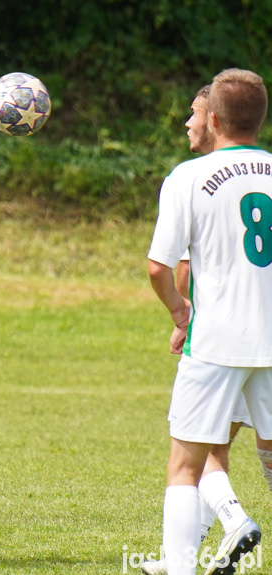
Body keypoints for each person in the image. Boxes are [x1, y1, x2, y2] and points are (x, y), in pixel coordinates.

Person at [147, 68, 272, 575]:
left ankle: (179, 569)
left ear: (214, 119)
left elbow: (159, 267)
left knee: (186, 464)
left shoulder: (188, 177)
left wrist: (181, 312)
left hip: (216, 341)